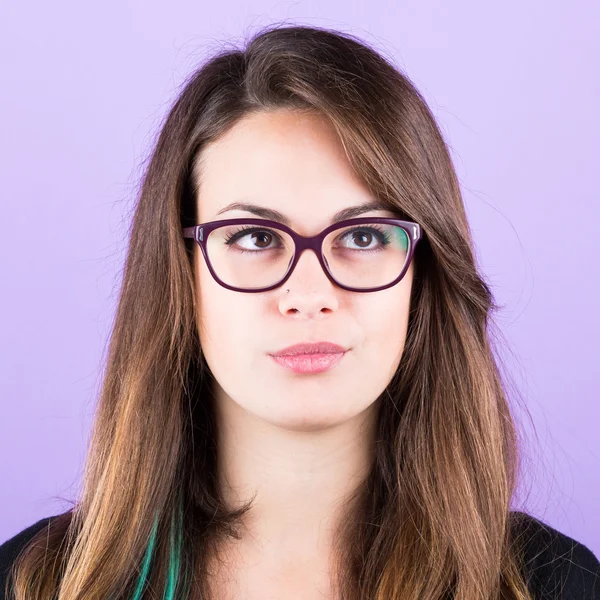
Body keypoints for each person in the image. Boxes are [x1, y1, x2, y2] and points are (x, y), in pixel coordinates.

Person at [1, 23, 599, 600]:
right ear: (180, 276)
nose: (309, 294)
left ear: (424, 273)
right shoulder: (33, 583)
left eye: (363, 236)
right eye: (255, 238)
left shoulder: (555, 584)